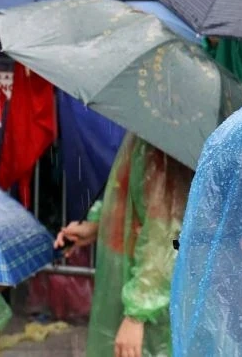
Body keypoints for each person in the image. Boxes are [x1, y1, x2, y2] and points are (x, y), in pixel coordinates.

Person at [56, 133, 192, 357]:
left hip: (152, 296)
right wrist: (97, 226)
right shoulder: (145, 134)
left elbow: (166, 239)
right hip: (131, 281)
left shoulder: (167, 147)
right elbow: (130, 196)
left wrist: (137, 314)